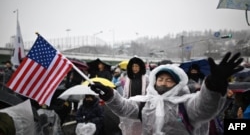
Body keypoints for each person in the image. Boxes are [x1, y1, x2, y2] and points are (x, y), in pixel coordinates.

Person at [90, 52, 244, 135]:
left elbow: (204, 107)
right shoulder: (146, 102)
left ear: (178, 83)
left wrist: (213, 85)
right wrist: (110, 95)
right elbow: (124, 108)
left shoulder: (185, 103)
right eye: (160, 79)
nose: (163, 83)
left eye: (169, 80)